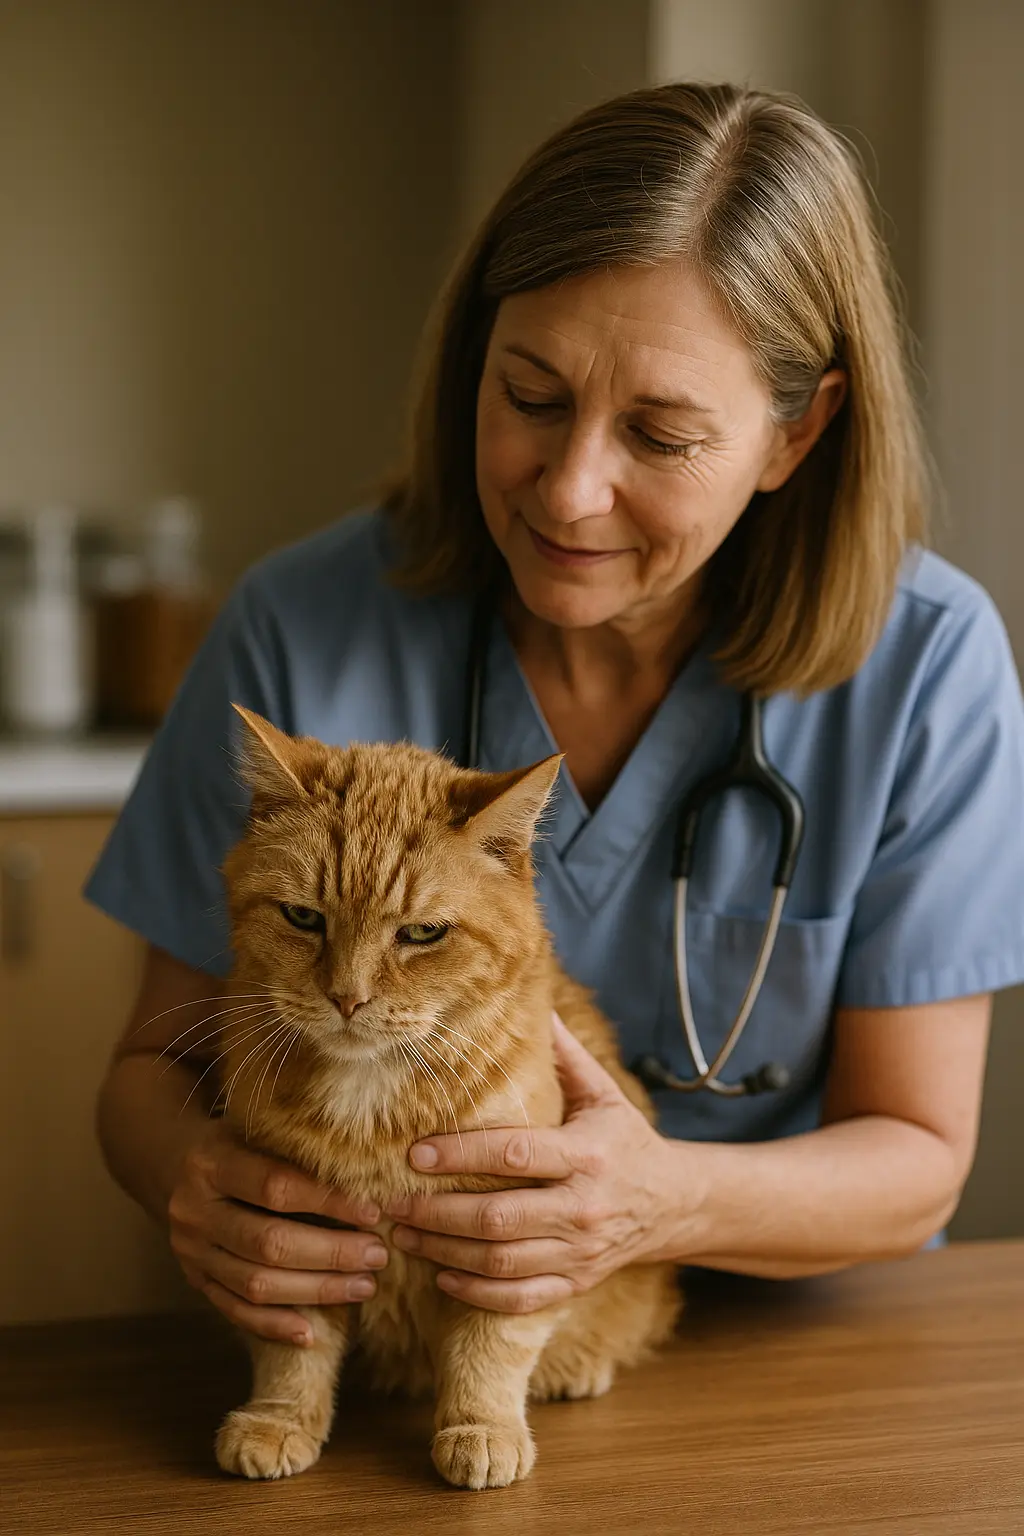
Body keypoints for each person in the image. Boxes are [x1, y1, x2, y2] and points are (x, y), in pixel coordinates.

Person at [90, 81, 1024, 1346]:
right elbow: (156, 1074)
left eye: (660, 432)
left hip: (781, 1355)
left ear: (794, 434)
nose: (571, 491)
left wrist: (664, 1200)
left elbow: (917, 1155)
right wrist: (192, 1183)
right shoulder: (301, 629)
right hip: (380, 1346)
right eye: (530, 396)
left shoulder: (927, 666)